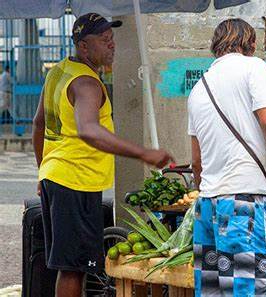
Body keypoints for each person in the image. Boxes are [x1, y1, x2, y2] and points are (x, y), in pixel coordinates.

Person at [32, 13, 173, 297]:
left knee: (71, 266)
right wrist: (143, 153)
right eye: (104, 40)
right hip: (75, 181)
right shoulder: (86, 84)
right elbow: (90, 131)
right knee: (74, 267)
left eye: (112, 39)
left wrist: (43, 171)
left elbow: (38, 123)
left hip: (59, 177)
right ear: (84, 47)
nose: (112, 45)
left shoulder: (59, 72)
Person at [187, 18, 266, 296]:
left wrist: (212, 192)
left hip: (207, 208)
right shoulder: (255, 68)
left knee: (212, 292)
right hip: (245, 207)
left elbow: (197, 162)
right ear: (251, 43)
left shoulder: (198, 89)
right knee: (254, 290)